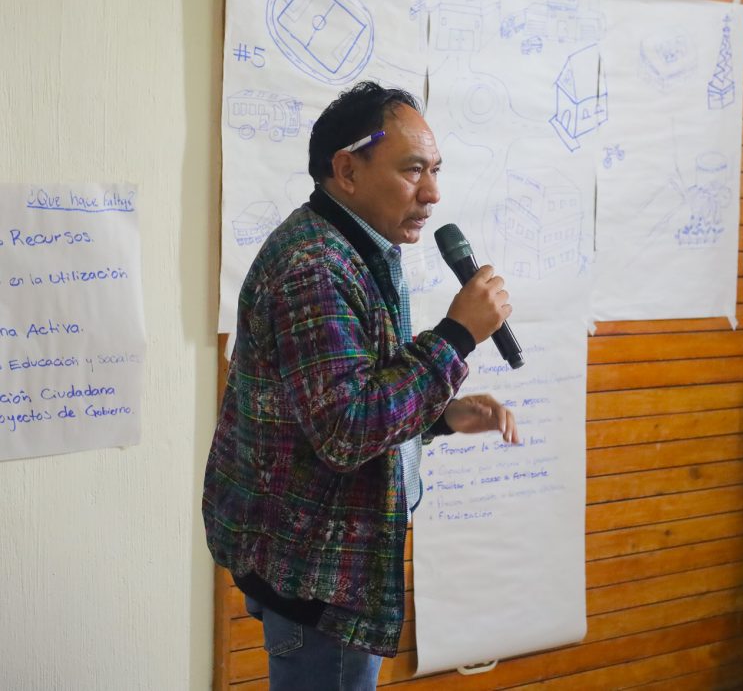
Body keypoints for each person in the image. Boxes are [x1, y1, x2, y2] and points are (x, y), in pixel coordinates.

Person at [202, 82, 520, 690]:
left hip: (318, 559)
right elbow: (347, 429)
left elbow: (345, 396)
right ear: (347, 170)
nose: (432, 192)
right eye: (413, 170)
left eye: (435, 170)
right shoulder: (316, 268)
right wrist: (456, 336)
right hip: (322, 578)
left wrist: (441, 416)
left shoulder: (355, 247)